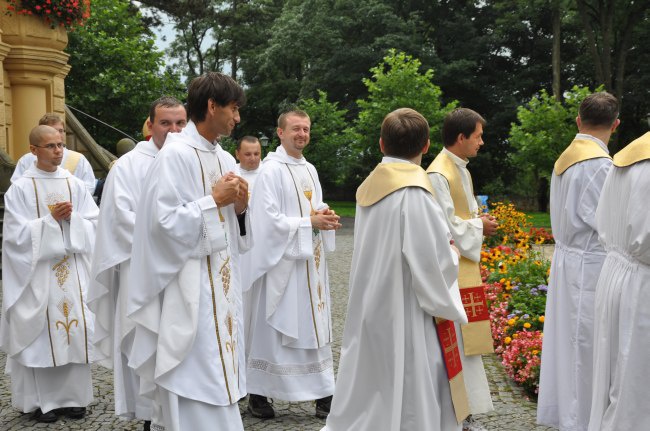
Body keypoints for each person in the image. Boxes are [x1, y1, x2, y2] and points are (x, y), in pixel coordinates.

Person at [323, 108, 469, 431]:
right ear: (427, 145)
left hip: (371, 301)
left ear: (380, 144)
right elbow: (431, 265)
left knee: (373, 381)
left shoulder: (368, 189)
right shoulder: (416, 194)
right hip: (407, 309)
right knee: (409, 383)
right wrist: (453, 255)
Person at [126, 72, 250, 431]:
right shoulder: (174, 155)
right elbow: (160, 225)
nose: (237, 118)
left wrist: (241, 208)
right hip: (189, 285)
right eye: (232, 108)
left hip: (221, 282)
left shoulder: (225, 158)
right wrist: (212, 201)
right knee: (196, 367)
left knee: (219, 362)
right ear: (211, 106)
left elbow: (232, 226)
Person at [88, 97, 187, 430]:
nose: (173, 130)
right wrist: (172, 240)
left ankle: (182, 409)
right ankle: (149, 414)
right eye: (165, 123)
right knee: (148, 338)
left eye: (180, 123)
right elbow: (119, 220)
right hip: (142, 272)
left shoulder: (190, 161)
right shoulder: (128, 166)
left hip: (183, 272)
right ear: (150, 125)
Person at [242, 109, 341, 419]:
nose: (302, 134)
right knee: (275, 330)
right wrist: (308, 221)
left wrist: (324, 214)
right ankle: (259, 393)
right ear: (280, 132)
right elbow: (266, 221)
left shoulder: (310, 169)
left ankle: (324, 395)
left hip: (310, 266)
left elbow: (313, 206)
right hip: (282, 266)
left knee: (314, 328)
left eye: (306, 129)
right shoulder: (270, 170)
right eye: (296, 129)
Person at [0, 125, 99, 423]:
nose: (58, 151)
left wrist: (75, 220)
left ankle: (74, 399)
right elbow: (15, 237)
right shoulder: (21, 188)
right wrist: (50, 222)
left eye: (60, 145)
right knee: (42, 335)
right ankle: (42, 403)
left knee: (75, 330)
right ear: (33, 150)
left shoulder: (74, 184)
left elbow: (94, 223)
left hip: (72, 271)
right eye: (50, 146)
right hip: (38, 276)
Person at [537, 91, 619, 431]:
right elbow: (610, 223)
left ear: (578, 121)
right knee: (586, 347)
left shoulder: (565, 160)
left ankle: (572, 416)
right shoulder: (601, 167)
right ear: (615, 125)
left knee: (570, 343)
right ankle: (582, 420)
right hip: (591, 264)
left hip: (570, 260)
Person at [426, 108, 496, 430]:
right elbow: (444, 226)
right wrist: (479, 225)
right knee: (455, 341)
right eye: (478, 136)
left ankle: (466, 412)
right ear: (461, 137)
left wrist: (478, 223)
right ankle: (457, 415)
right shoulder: (439, 174)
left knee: (468, 345)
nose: (482, 142)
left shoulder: (462, 170)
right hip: (451, 273)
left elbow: (463, 216)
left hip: (465, 268)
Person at [588, 132, 650, 431]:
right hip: (642, 282)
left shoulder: (630, 154)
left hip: (619, 270)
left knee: (616, 379)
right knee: (634, 390)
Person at [11, 113, 97, 195]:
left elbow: (89, 186)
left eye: (61, 131)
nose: (58, 134)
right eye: (53, 130)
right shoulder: (26, 160)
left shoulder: (78, 159)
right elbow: (17, 187)